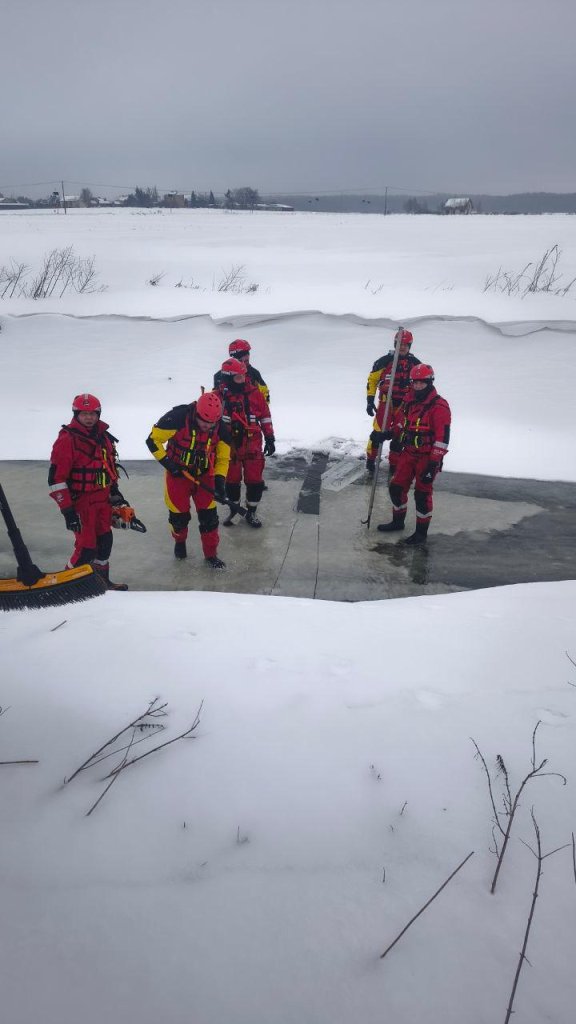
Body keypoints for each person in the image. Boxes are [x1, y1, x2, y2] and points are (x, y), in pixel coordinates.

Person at [48, 393, 129, 590]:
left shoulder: (104, 437)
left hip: (103, 501)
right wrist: (68, 512)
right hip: (81, 503)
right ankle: (65, 587)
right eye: (84, 413)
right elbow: (56, 479)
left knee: (104, 544)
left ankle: (102, 583)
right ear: (76, 414)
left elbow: (109, 467)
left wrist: (116, 495)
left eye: (93, 413)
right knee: (86, 549)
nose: (89, 418)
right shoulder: (67, 439)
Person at [145, 391, 231, 568]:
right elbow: (152, 441)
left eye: (212, 423)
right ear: (197, 414)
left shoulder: (220, 427)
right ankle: (179, 541)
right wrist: (169, 465)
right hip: (178, 476)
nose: (208, 426)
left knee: (209, 519)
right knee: (179, 517)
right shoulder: (177, 417)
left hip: (205, 475)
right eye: (204, 422)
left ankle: (211, 555)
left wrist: (221, 481)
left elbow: (223, 457)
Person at [376, 364, 451, 545]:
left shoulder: (439, 406)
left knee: (422, 495)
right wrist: (387, 434)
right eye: (415, 383)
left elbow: (443, 438)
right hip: (408, 454)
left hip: (427, 457)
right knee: (396, 487)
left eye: (421, 383)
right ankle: (398, 521)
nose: (417, 386)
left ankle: (421, 534)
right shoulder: (409, 401)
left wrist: (433, 463)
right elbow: (402, 424)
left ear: (430, 382)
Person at [215, 357, 275, 528]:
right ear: (228, 378)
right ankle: (234, 510)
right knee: (231, 482)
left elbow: (265, 416)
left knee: (255, 482)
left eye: (243, 376)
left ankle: (252, 512)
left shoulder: (255, 393)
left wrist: (270, 438)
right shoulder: (219, 397)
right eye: (239, 377)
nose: (243, 379)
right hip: (230, 448)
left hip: (253, 446)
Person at [365, 327, 420, 477]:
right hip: (386, 404)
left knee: (399, 437)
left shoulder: (415, 364)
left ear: (409, 346)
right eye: (399, 344)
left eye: (405, 345)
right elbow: (372, 381)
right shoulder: (383, 362)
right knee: (377, 435)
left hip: (404, 407)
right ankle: (370, 460)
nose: (402, 347)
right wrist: (370, 400)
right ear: (395, 344)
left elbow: (421, 387)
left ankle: (394, 465)